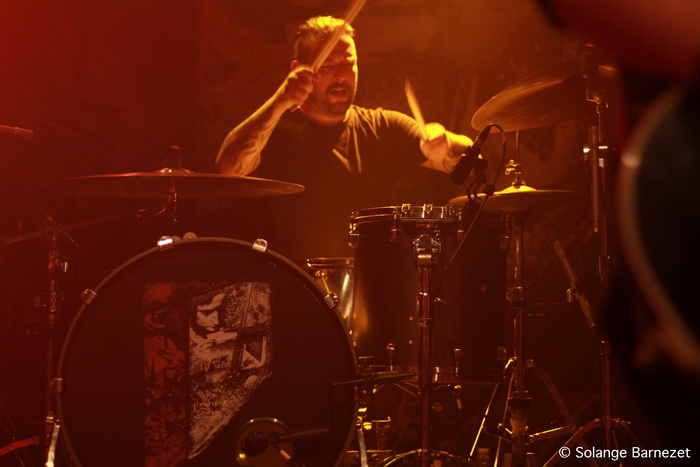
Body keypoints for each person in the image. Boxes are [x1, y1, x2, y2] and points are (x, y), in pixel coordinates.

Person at [215, 16, 472, 260]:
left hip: (368, 280)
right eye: (327, 65)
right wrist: (280, 101)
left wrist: (445, 143)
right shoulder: (276, 129)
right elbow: (227, 171)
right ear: (297, 70)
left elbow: (472, 161)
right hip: (291, 279)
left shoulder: (383, 126)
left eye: (348, 64)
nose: (340, 75)